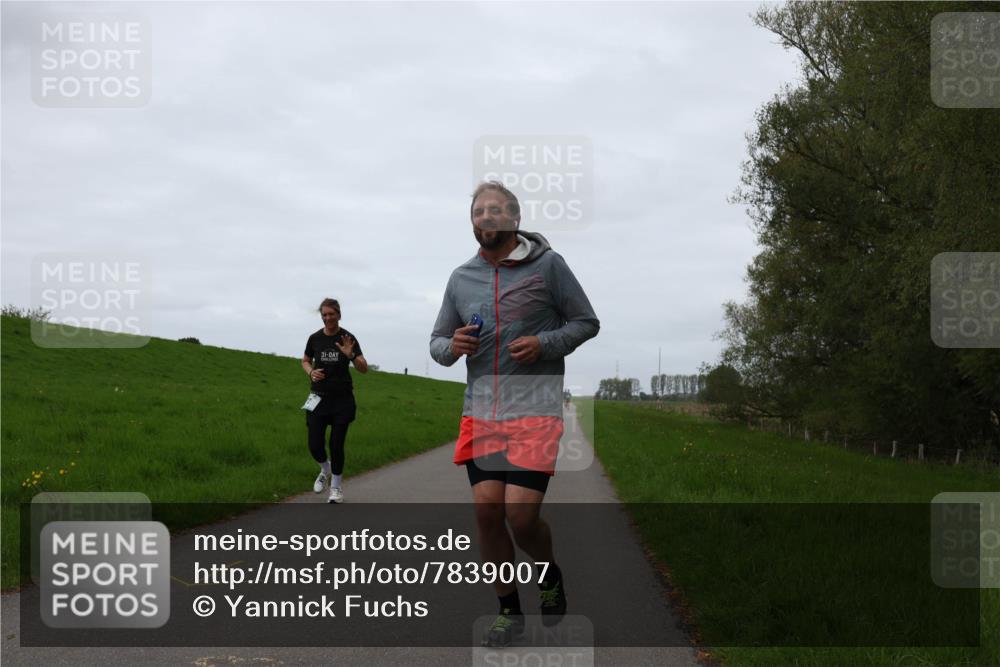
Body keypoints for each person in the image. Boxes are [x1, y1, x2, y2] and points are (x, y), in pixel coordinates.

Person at [430, 181, 599, 647]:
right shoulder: (460, 278)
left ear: (514, 219)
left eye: (496, 210)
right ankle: (508, 611)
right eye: (478, 211)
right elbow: (437, 343)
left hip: (536, 409)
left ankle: (547, 574)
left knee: (520, 517)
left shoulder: (549, 267)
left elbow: (586, 321)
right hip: (482, 411)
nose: (486, 217)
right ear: (472, 222)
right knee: (488, 514)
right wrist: (453, 346)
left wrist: (545, 343)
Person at [301, 298, 368, 503]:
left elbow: (364, 368)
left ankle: (336, 488)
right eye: (324, 314)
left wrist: (351, 356)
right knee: (314, 444)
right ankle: (325, 469)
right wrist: (311, 372)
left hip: (342, 400)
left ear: (339, 314)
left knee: (336, 444)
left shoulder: (348, 337)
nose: (328, 318)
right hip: (318, 397)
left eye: (331, 314)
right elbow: (304, 360)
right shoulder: (314, 338)